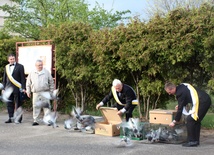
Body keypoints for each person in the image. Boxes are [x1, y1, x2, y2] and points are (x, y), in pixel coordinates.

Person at [165, 82, 211, 147]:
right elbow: (187, 97)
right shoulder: (182, 86)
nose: (170, 94)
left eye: (169, 92)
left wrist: (174, 121)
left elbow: (180, 110)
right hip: (205, 99)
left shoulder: (179, 93)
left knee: (190, 119)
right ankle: (195, 141)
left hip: (202, 101)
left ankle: (192, 141)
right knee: (195, 120)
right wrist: (180, 105)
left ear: (173, 88)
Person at [26, 59, 55, 126]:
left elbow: (51, 82)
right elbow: (28, 83)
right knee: (36, 106)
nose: (40, 66)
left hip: (45, 92)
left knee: (47, 107)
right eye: (39, 65)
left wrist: (51, 91)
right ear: (36, 65)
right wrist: (28, 91)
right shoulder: (32, 72)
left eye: (41, 65)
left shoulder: (46, 72)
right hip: (36, 92)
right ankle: (36, 120)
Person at [2, 53, 26, 123]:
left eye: (13, 59)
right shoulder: (6, 67)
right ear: (8, 60)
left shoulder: (20, 66)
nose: (12, 60)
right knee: (9, 104)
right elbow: (4, 79)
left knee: (18, 104)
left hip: (17, 88)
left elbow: (22, 78)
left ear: (15, 59)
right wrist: (3, 88)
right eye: (10, 59)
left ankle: (18, 118)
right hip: (8, 88)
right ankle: (10, 118)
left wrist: (23, 88)